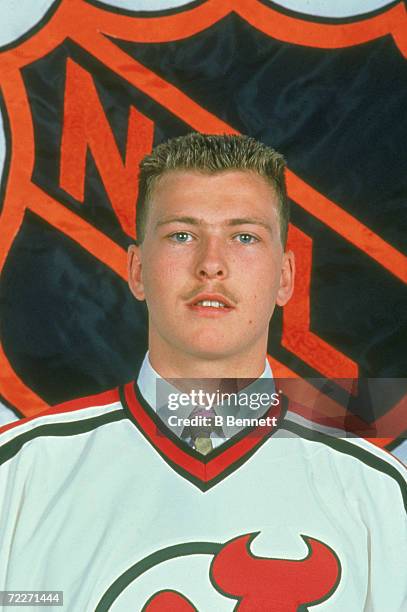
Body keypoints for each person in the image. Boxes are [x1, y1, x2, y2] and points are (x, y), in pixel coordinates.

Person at [0, 134, 405, 611]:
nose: (211, 264)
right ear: (136, 270)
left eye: (245, 237)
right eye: (182, 235)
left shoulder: (375, 492)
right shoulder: (20, 474)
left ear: (286, 277)